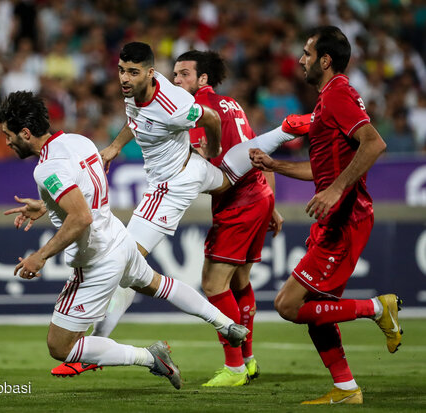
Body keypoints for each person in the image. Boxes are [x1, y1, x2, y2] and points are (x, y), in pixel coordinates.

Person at [52, 41, 304, 377]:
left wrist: (211, 146)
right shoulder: (137, 91)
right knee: (228, 176)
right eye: (122, 71)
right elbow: (137, 119)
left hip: (171, 185)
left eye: (133, 72)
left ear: (150, 73)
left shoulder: (176, 104)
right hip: (201, 171)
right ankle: (283, 131)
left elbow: (209, 118)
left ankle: (93, 348)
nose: (125, 78)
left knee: (121, 261)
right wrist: (114, 146)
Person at [0, 90, 250, 390]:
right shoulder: (78, 140)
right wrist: (47, 206)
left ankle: (150, 357)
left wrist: (41, 255)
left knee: (60, 347)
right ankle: (226, 324)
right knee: (157, 284)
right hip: (119, 238)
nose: (7, 141)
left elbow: (80, 217)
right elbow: (84, 193)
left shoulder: (46, 168)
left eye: (8, 134)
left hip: (97, 260)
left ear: (25, 132)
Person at [249, 26, 402, 405]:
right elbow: (324, 169)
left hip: (346, 219)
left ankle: (376, 308)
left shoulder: (337, 95)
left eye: (306, 52)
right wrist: (275, 165)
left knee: (288, 304)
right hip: (336, 219)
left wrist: (335, 191)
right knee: (318, 309)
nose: (301, 59)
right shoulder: (327, 101)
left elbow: (374, 143)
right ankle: (347, 389)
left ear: (325, 59)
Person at [172, 50, 283, 387]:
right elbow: (255, 151)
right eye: (174, 74)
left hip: (238, 202)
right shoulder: (232, 104)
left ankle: (233, 367)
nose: (176, 80)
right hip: (258, 194)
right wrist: (272, 203)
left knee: (213, 284)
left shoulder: (198, 111)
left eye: (184, 74)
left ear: (203, 79)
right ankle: (247, 361)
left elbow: (199, 162)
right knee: (239, 282)